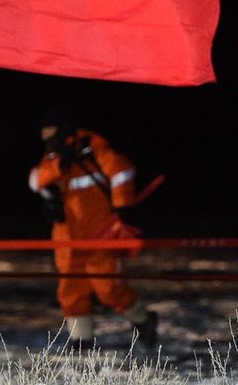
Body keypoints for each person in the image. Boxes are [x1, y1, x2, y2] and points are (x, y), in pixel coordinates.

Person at [28, 106, 154, 346]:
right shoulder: (53, 158)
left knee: (108, 287)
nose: (48, 140)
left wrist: (122, 206)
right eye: (44, 136)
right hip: (67, 236)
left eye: (51, 133)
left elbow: (122, 170)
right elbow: (35, 180)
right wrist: (58, 167)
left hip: (101, 233)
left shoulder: (91, 148)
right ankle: (81, 342)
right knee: (70, 290)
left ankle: (143, 319)